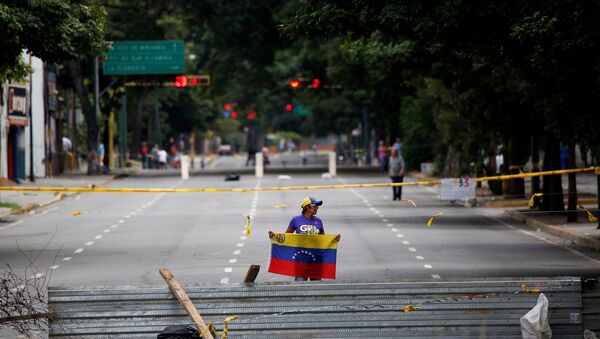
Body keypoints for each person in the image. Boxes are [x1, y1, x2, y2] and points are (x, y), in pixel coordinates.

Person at [269, 197, 340, 281]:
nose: (317, 208)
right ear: (307, 207)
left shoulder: (319, 221)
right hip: (301, 260)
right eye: (315, 206)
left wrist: (333, 240)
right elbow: (286, 236)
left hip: (316, 260)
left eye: (318, 206)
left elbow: (322, 240)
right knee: (300, 285)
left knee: (316, 287)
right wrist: (275, 236)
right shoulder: (296, 220)